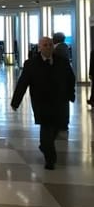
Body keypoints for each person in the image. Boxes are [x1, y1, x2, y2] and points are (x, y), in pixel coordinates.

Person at [11, 36, 75, 169]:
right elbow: (22, 83)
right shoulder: (31, 64)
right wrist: (15, 102)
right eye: (45, 45)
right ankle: (50, 158)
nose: (48, 47)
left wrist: (70, 94)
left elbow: (70, 78)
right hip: (42, 103)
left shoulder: (62, 62)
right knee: (46, 128)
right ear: (39, 48)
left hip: (59, 102)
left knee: (58, 126)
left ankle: (45, 145)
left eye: (50, 45)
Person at [52, 32, 72, 130]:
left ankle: (62, 123)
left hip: (60, 81)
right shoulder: (63, 48)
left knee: (62, 103)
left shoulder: (59, 49)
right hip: (63, 81)